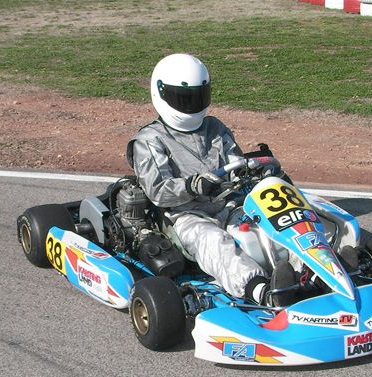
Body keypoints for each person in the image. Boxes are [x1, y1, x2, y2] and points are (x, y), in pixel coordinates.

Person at [125, 53, 294, 305]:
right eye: (183, 98)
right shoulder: (150, 140)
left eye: (197, 97)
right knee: (216, 242)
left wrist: (253, 172)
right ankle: (261, 290)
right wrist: (192, 185)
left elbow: (235, 163)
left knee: (276, 223)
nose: (191, 104)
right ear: (160, 93)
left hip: (228, 205)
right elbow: (158, 191)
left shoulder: (215, 127)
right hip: (185, 216)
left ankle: (311, 271)